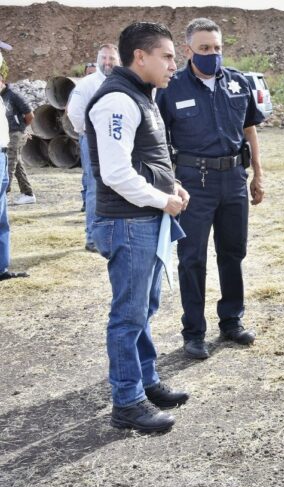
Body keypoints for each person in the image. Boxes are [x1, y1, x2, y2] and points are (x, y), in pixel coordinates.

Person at [86, 22, 190, 432]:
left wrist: (172, 186)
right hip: (128, 222)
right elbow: (115, 172)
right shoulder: (117, 101)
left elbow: (148, 158)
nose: (173, 66)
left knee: (145, 309)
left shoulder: (141, 96)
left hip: (145, 219)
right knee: (128, 316)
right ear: (140, 57)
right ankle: (127, 401)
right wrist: (163, 198)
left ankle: (145, 381)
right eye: (166, 56)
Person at [157, 17, 265, 360]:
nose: (212, 54)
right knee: (192, 258)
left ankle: (231, 321)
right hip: (193, 183)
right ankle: (194, 332)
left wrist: (258, 175)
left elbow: (250, 130)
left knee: (233, 252)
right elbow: (158, 142)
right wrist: (169, 183)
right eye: (204, 48)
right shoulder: (171, 89)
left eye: (217, 48)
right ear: (189, 49)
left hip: (233, 178)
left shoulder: (237, 83)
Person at [67, 43, 120, 252]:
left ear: (119, 61)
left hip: (115, 141)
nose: (107, 63)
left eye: (111, 59)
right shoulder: (87, 84)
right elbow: (74, 112)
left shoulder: (122, 80)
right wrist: (87, 132)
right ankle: (92, 238)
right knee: (94, 187)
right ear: (98, 59)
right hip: (94, 141)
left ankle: (110, 234)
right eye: (103, 58)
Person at [0, 48, 29, 281]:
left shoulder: (8, 94)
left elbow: (29, 114)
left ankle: (1, 267)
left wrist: (22, 130)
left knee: (2, 217)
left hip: (7, 144)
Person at [0, 61, 35, 205]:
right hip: (4, 134)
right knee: (17, 163)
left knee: (9, 164)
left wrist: (21, 129)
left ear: (2, 80)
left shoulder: (13, 94)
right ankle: (28, 194)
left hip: (15, 133)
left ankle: (3, 194)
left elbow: (30, 114)